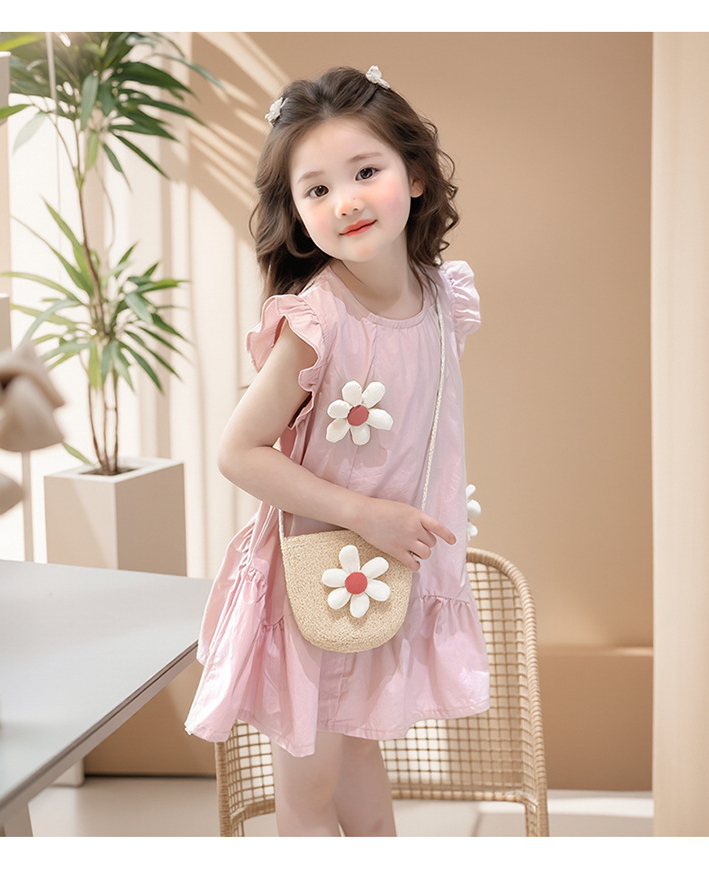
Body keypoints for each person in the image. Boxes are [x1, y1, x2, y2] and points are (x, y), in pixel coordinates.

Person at [185, 65, 490, 837]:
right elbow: (239, 452)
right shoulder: (317, 320)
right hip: (315, 583)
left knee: (362, 777)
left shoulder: (441, 299)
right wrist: (366, 514)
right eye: (316, 189)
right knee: (310, 795)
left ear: (414, 174)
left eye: (365, 172)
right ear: (296, 212)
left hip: (384, 578)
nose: (345, 200)